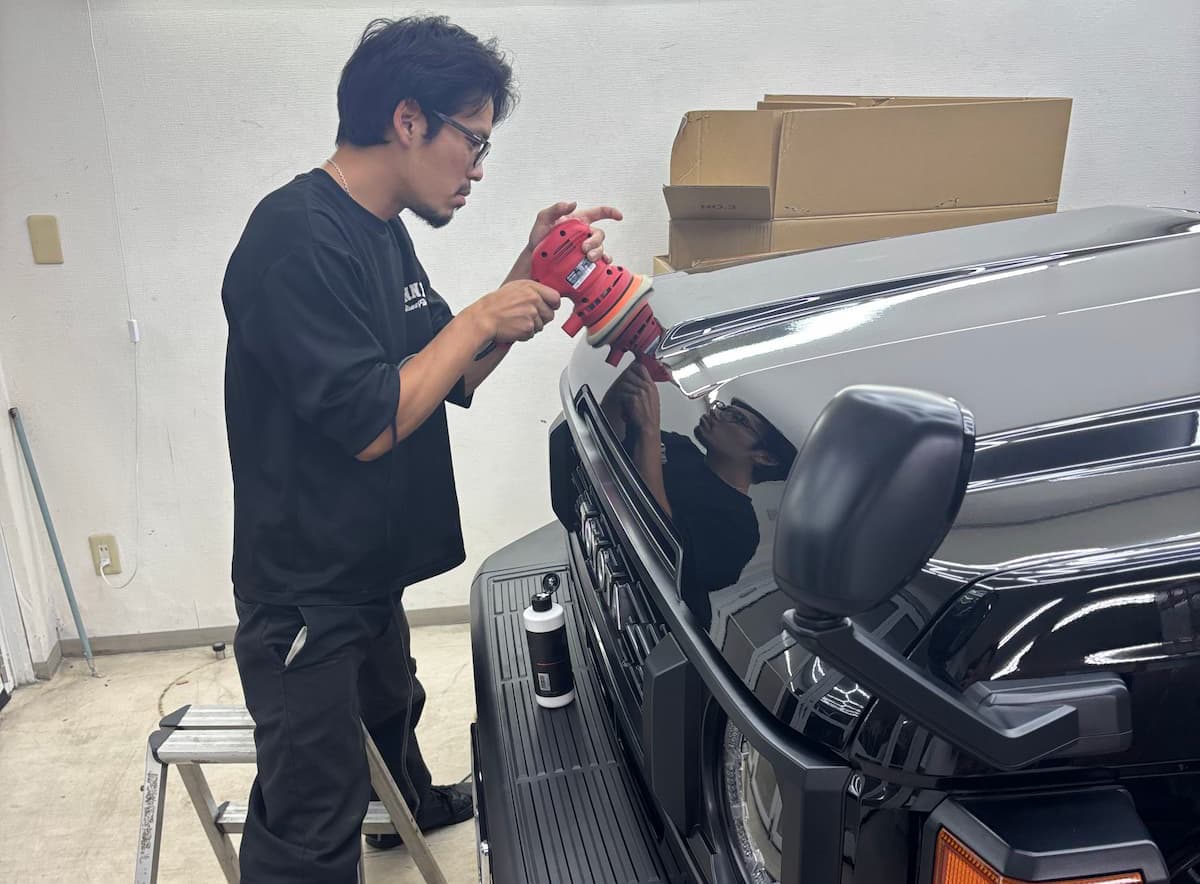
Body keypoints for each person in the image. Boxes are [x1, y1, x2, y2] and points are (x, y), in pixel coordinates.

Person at [220, 16, 621, 883]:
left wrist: (531, 275)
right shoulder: (294, 237)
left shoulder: (382, 228)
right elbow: (371, 422)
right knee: (309, 807)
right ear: (408, 120)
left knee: (392, 706)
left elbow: (450, 374)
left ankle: (405, 808)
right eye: (472, 141)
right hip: (306, 588)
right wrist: (480, 314)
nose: (478, 168)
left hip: (367, 565)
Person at [601, 363, 797, 626]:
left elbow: (663, 548)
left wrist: (649, 431)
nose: (718, 413)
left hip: (646, 625)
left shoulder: (741, 529)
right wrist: (631, 380)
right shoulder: (681, 448)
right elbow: (608, 441)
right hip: (605, 572)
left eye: (737, 419)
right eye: (723, 407)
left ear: (765, 457)